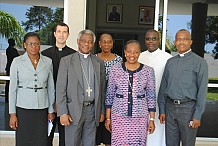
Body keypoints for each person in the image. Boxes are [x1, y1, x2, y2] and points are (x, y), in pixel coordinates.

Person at [158, 29, 208, 146]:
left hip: (188, 109)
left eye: (185, 39)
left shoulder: (200, 62)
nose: (181, 42)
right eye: (178, 39)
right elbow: (163, 87)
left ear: (190, 42)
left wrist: (197, 115)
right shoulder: (170, 62)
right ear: (175, 42)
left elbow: (202, 91)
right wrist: (162, 109)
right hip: (170, 109)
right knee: (170, 143)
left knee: (188, 143)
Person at [56, 29, 106, 146]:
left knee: (90, 142)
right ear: (78, 41)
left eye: (89, 42)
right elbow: (60, 89)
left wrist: (102, 111)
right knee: (72, 142)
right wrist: (63, 112)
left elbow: (102, 90)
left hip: (93, 111)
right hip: (73, 110)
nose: (86, 44)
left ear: (93, 44)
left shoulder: (99, 62)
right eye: (83, 41)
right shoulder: (66, 61)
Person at [105, 40, 156, 146]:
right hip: (118, 116)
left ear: (139, 53)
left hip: (140, 117)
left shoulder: (148, 71)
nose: (132, 55)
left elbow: (151, 96)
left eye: (136, 52)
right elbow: (109, 95)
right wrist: (108, 118)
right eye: (129, 51)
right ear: (125, 52)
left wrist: (151, 119)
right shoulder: (115, 70)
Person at [9, 32, 55, 146]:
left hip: (42, 108)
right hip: (23, 108)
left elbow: (50, 88)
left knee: (41, 140)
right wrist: (12, 114)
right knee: (24, 140)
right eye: (30, 44)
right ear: (25, 45)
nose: (34, 47)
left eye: (36, 44)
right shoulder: (17, 61)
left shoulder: (48, 62)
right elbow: (12, 89)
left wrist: (50, 110)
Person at [41, 22, 76, 146]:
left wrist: (61, 103)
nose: (61, 35)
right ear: (55, 34)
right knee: (46, 137)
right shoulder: (44, 55)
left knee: (65, 138)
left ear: (68, 35)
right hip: (48, 103)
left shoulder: (74, 55)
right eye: (59, 32)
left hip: (67, 104)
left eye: (64, 32)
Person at [138, 29, 172, 146]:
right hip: (140, 103)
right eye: (148, 39)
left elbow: (169, 82)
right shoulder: (139, 56)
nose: (151, 41)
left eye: (154, 38)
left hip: (160, 102)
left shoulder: (167, 58)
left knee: (158, 133)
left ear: (159, 40)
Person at [96, 33, 122, 146]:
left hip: (113, 102)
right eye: (104, 41)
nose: (106, 44)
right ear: (99, 44)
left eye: (109, 41)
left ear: (112, 43)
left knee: (110, 136)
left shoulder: (119, 60)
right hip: (96, 100)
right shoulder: (94, 59)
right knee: (94, 135)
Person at [4, 38, 19, 130]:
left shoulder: (9, 49)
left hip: (9, 67)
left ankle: (7, 98)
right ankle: (7, 98)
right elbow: (16, 57)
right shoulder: (11, 50)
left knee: (9, 84)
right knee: (9, 84)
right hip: (10, 68)